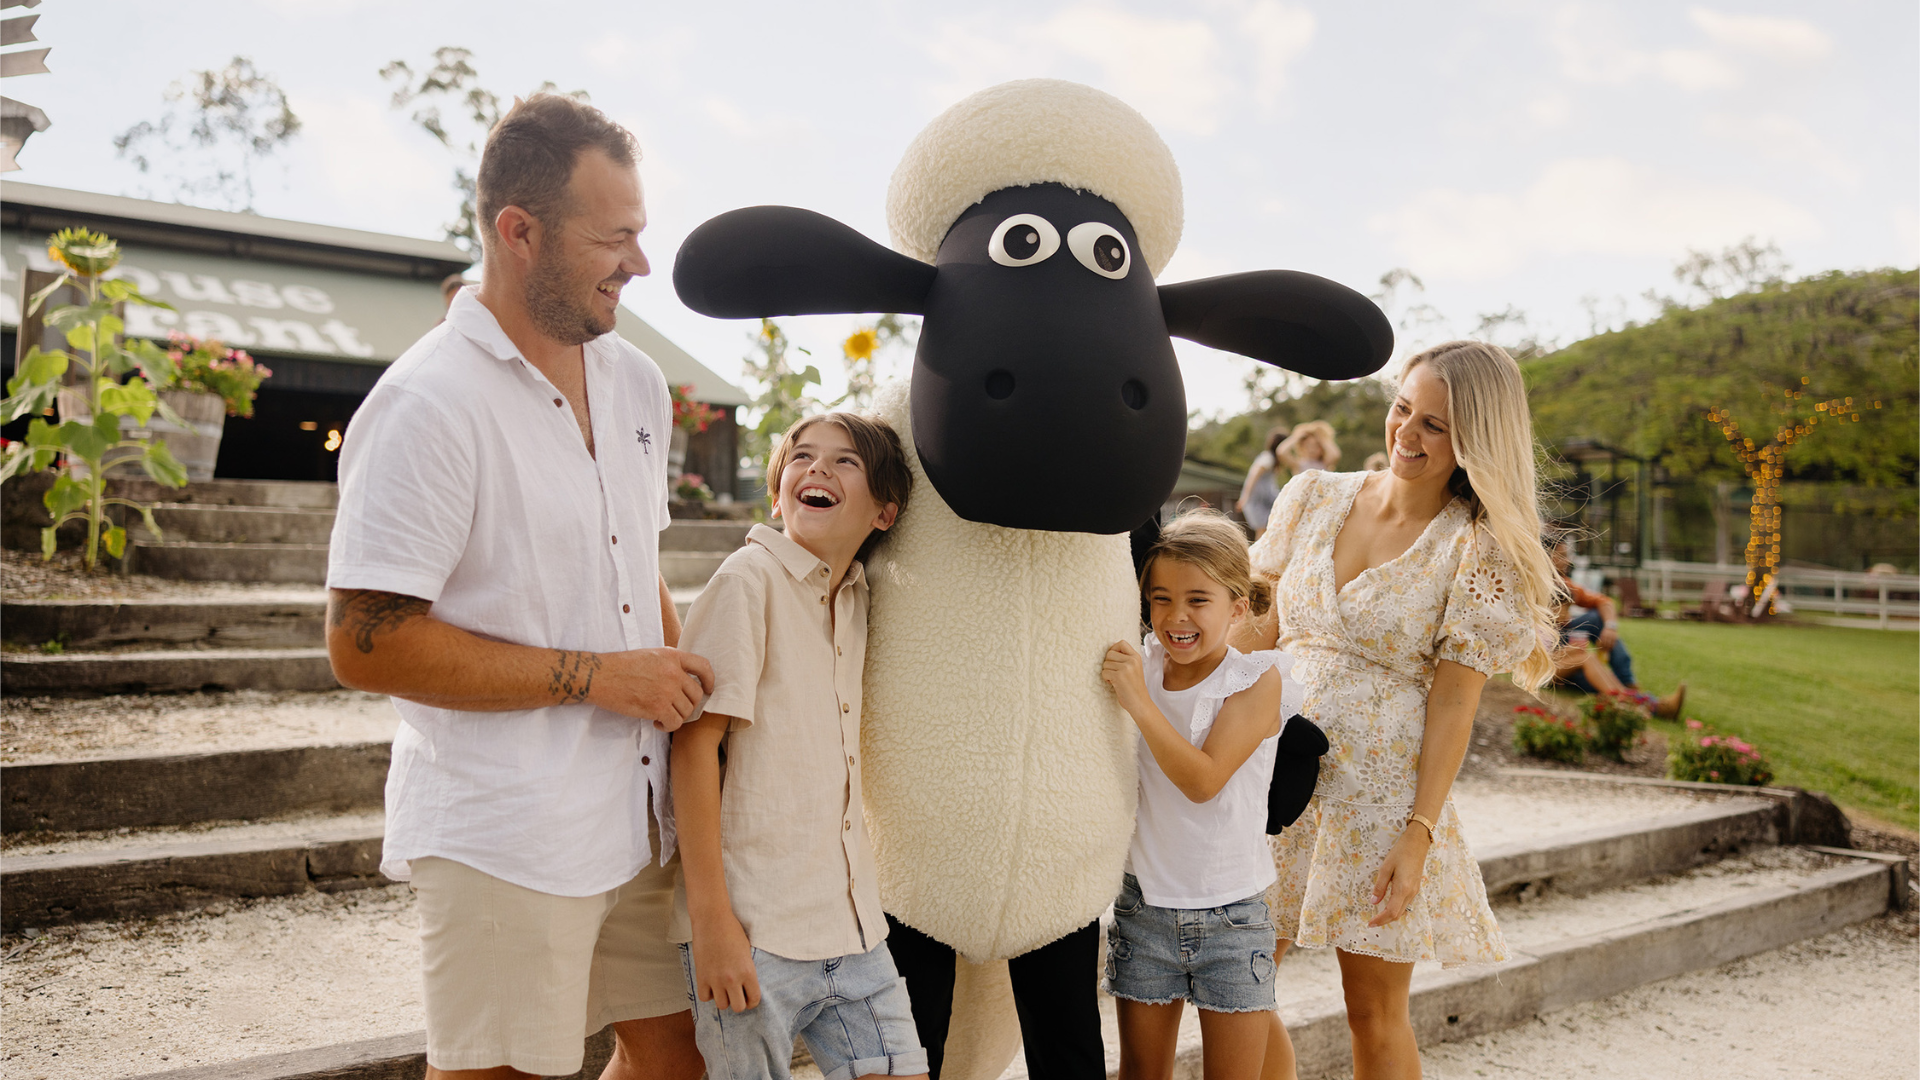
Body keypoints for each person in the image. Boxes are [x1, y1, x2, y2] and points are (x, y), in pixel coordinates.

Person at [324, 94, 714, 1080]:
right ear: (520, 232)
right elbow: (364, 642)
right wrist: (599, 677)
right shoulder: (425, 404)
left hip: (639, 808)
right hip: (507, 826)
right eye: (614, 238)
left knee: (684, 1059)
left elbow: (637, 563)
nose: (640, 264)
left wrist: (689, 709)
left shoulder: (633, 382)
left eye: (641, 232)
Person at [1243, 341, 1561, 1080]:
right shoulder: (1313, 495)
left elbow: (1455, 700)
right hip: (1272, 769)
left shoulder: (1477, 549)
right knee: (1239, 986)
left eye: (1436, 427)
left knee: (1372, 1013)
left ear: (1475, 442)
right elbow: (1254, 628)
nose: (1407, 436)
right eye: (1402, 409)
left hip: (1379, 797)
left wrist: (1418, 834)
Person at [670, 411, 928, 1080]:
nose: (816, 468)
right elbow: (694, 752)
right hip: (757, 929)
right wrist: (713, 924)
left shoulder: (860, 600)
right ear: (778, 490)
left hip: (855, 926)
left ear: (884, 512)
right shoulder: (746, 581)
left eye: (845, 462)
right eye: (803, 457)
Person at [1100, 509, 1304, 1080]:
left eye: (1198, 599)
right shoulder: (1140, 664)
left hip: (1233, 916)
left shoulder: (1256, 680)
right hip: (1144, 908)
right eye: (1160, 598)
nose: (1176, 616)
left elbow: (1203, 780)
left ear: (1238, 606)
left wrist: (1137, 701)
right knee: (1141, 1073)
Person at [1550, 541, 1685, 718]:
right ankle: (1644, 703)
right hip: (1549, 656)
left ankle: (1632, 690)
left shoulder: (1565, 585)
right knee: (1586, 663)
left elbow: (1604, 601)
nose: (1567, 561)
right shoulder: (1533, 585)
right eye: (1562, 556)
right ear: (1547, 556)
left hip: (1560, 648)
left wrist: (1610, 628)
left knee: (1595, 622)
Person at [1236, 426, 1290, 538]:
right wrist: (1244, 497)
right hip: (1258, 500)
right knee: (1262, 531)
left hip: (1265, 499)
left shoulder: (1272, 460)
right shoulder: (1267, 459)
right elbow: (1252, 477)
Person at [1276, 420, 1340, 475]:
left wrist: (1322, 438)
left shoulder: (1325, 464)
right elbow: (1281, 452)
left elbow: (1336, 454)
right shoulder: (1298, 465)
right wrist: (1295, 438)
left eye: (1316, 446)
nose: (1312, 449)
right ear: (1301, 447)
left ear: (1322, 448)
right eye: (1308, 446)